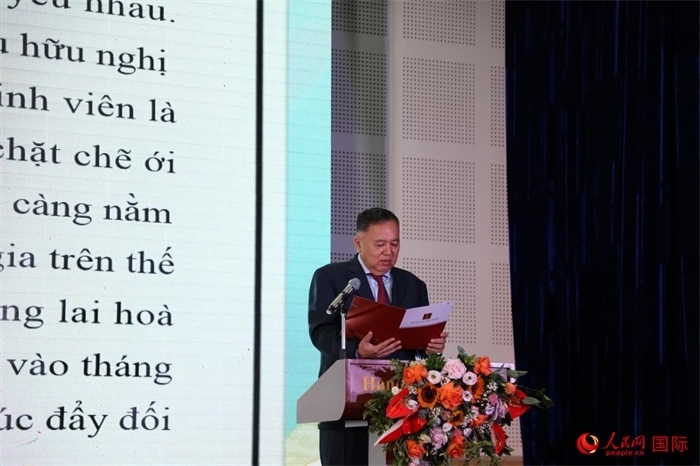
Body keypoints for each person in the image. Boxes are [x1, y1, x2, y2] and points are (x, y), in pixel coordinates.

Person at [308, 207, 448, 466]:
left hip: (402, 410)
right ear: (358, 243)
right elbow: (321, 332)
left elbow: (416, 349)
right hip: (346, 408)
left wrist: (431, 348)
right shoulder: (331, 277)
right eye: (380, 244)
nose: (388, 251)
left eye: (395, 243)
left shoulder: (413, 285)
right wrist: (357, 352)